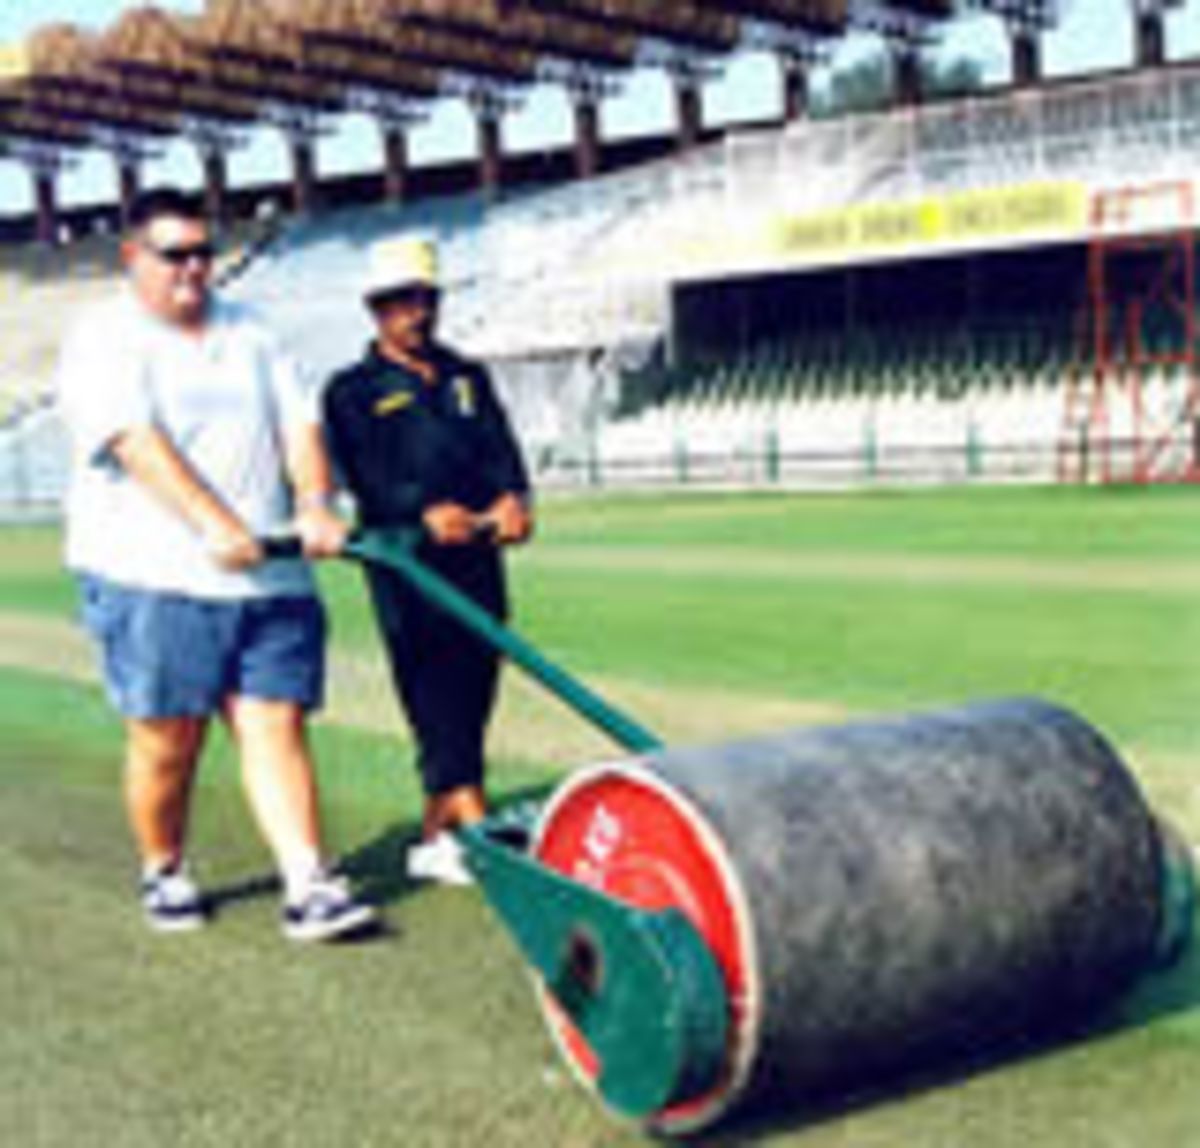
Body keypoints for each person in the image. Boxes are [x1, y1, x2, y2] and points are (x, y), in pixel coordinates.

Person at [57, 187, 377, 942]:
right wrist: (218, 523)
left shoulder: (253, 332)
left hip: (270, 574)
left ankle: (309, 884)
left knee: (276, 724)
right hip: (153, 574)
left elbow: (299, 423)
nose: (195, 268)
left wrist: (315, 503)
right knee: (168, 740)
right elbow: (134, 442)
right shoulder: (103, 337)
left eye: (205, 252)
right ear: (133, 258)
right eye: (176, 254)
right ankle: (163, 867)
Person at [322, 235, 533, 886]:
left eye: (423, 299)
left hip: (478, 555)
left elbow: (502, 449)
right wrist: (420, 513)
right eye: (400, 302)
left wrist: (513, 500)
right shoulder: (351, 390)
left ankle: (437, 829)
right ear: (375, 309)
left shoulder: (469, 375)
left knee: (476, 679)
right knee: (431, 685)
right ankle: (470, 817)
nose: (415, 313)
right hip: (408, 562)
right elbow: (364, 475)